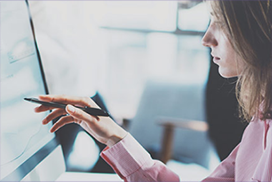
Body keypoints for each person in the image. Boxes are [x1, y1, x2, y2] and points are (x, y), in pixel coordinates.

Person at [35, 1, 272, 181]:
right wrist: (116, 137)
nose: (206, 38)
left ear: (254, 27)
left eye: (219, 21)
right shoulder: (260, 120)